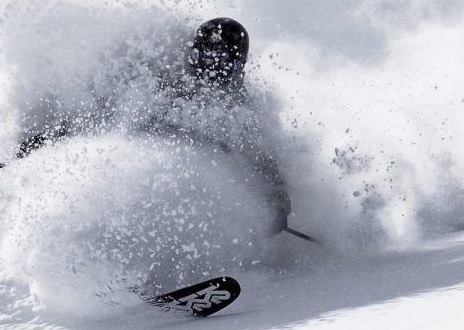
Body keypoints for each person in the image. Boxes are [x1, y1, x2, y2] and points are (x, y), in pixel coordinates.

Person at [17, 17, 292, 234]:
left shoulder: (243, 113)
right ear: (193, 56)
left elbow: (264, 164)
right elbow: (105, 117)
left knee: (192, 196)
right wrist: (52, 137)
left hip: (200, 192)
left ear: (237, 67)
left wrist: (276, 208)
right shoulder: (164, 86)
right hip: (132, 175)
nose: (211, 69)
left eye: (221, 63)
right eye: (205, 59)